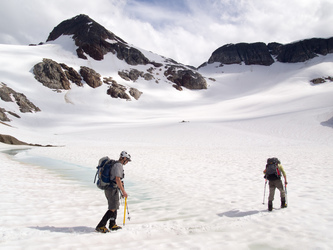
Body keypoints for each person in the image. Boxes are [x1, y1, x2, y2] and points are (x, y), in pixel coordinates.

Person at [95, 151, 131, 233]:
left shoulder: (116, 164)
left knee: (115, 205)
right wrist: (123, 191)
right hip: (111, 189)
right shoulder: (118, 165)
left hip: (111, 187)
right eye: (127, 160)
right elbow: (117, 179)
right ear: (124, 158)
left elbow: (116, 179)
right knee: (112, 207)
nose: (127, 162)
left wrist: (120, 185)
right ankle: (101, 226)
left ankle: (112, 224)